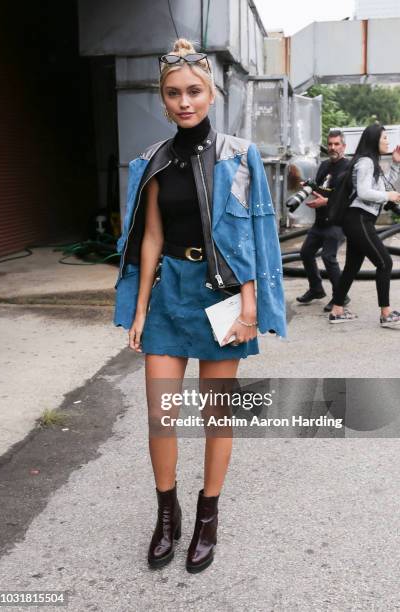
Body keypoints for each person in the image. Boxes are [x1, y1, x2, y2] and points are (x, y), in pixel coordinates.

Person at [113, 38, 286, 573]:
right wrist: (140, 310)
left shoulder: (240, 154)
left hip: (224, 296)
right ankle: (168, 515)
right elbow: (149, 238)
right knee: (160, 415)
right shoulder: (152, 161)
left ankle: (208, 513)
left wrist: (250, 308)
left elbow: (256, 234)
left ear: (211, 93)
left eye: (194, 90)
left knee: (217, 413)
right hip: (171, 294)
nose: (184, 101)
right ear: (163, 101)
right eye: (173, 93)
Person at [329, 123, 400, 327]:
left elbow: (383, 186)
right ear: (374, 140)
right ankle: (386, 314)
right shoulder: (366, 163)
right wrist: (388, 195)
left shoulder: (372, 163)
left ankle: (337, 310)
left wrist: (395, 164)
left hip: (361, 219)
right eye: (384, 138)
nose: (388, 141)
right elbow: (364, 192)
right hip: (358, 218)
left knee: (352, 266)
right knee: (385, 263)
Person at [296, 129, 351, 312]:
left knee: (328, 257)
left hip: (336, 222)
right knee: (306, 253)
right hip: (319, 221)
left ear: (344, 146)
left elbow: (347, 196)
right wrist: (308, 186)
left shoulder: (348, 167)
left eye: (337, 144)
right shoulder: (324, 165)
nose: (333, 147)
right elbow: (319, 187)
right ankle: (316, 289)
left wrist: (325, 201)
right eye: (330, 144)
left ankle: (340, 296)